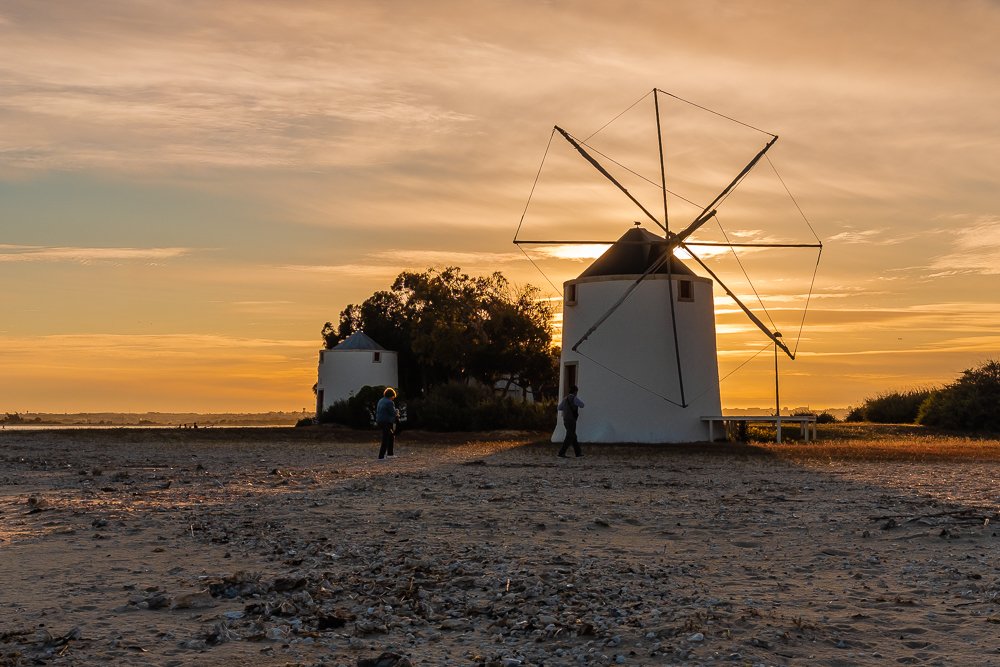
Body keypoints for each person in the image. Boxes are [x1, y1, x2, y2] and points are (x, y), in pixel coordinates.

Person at [557, 385, 585, 458]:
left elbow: (559, 408)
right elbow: (582, 405)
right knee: (569, 436)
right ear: (575, 391)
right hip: (572, 420)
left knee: (573, 436)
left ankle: (578, 453)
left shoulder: (565, 399)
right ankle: (561, 452)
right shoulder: (574, 398)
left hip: (565, 419)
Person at [375, 387, 399, 460]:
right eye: (393, 397)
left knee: (391, 436)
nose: (393, 398)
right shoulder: (389, 402)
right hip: (386, 421)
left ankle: (390, 454)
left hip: (380, 421)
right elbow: (393, 413)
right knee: (386, 438)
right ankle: (381, 456)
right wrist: (397, 412)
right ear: (391, 395)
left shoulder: (381, 400)